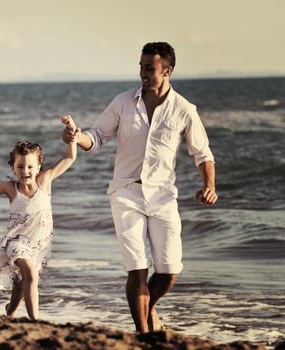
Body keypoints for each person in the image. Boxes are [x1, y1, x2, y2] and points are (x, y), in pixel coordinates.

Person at [63, 42, 218, 332]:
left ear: (167, 71)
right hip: (125, 193)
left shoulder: (184, 109)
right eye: (141, 67)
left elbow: (203, 153)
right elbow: (95, 138)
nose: (143, 73)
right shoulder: (123, 102)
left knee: (169, 271)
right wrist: (76, 137)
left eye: (150, 68)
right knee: (137, 268)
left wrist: (209, 185)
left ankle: (150, 310)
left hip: (163, 196)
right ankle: (142, 334)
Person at [0, 116, 78, 320]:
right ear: (12, 167)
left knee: (20, 281)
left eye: (29, 167)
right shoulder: (10, 188)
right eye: (20, 166)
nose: (25, 171)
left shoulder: (45, 180)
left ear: (38, 166)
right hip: (16, 242)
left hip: (39, 243)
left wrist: (71, 135)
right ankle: (35, 320)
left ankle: (10, 314)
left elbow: (69, 158)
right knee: (31, 274)